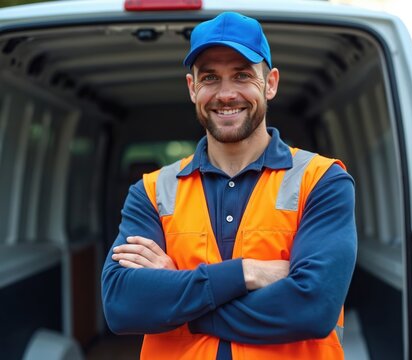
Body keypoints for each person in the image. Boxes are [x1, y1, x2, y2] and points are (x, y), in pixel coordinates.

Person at [101, 11, 357, 360]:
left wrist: (178, 300)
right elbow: (121, 306)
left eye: (242, 75)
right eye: (209, 78)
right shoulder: (150, 191)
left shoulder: (322, 180)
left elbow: (313, 308)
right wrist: (247, 272)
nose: (225, 94)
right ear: (192, 88)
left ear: (270, 83)